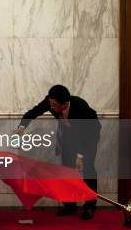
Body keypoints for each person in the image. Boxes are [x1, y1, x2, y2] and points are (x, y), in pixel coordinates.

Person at [15, 85, 101, 220]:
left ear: (65, 104)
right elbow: (33, 112)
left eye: (54, 104)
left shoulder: (81, 107)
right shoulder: (51, 101)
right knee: (66, 170)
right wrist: (21, 127)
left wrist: (80, 156)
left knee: (88, 169)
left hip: (89, 136)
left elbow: (89, 135)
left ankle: (90, 207)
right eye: (51, 103)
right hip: (69, 136)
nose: (51, 106)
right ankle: (70, 206)